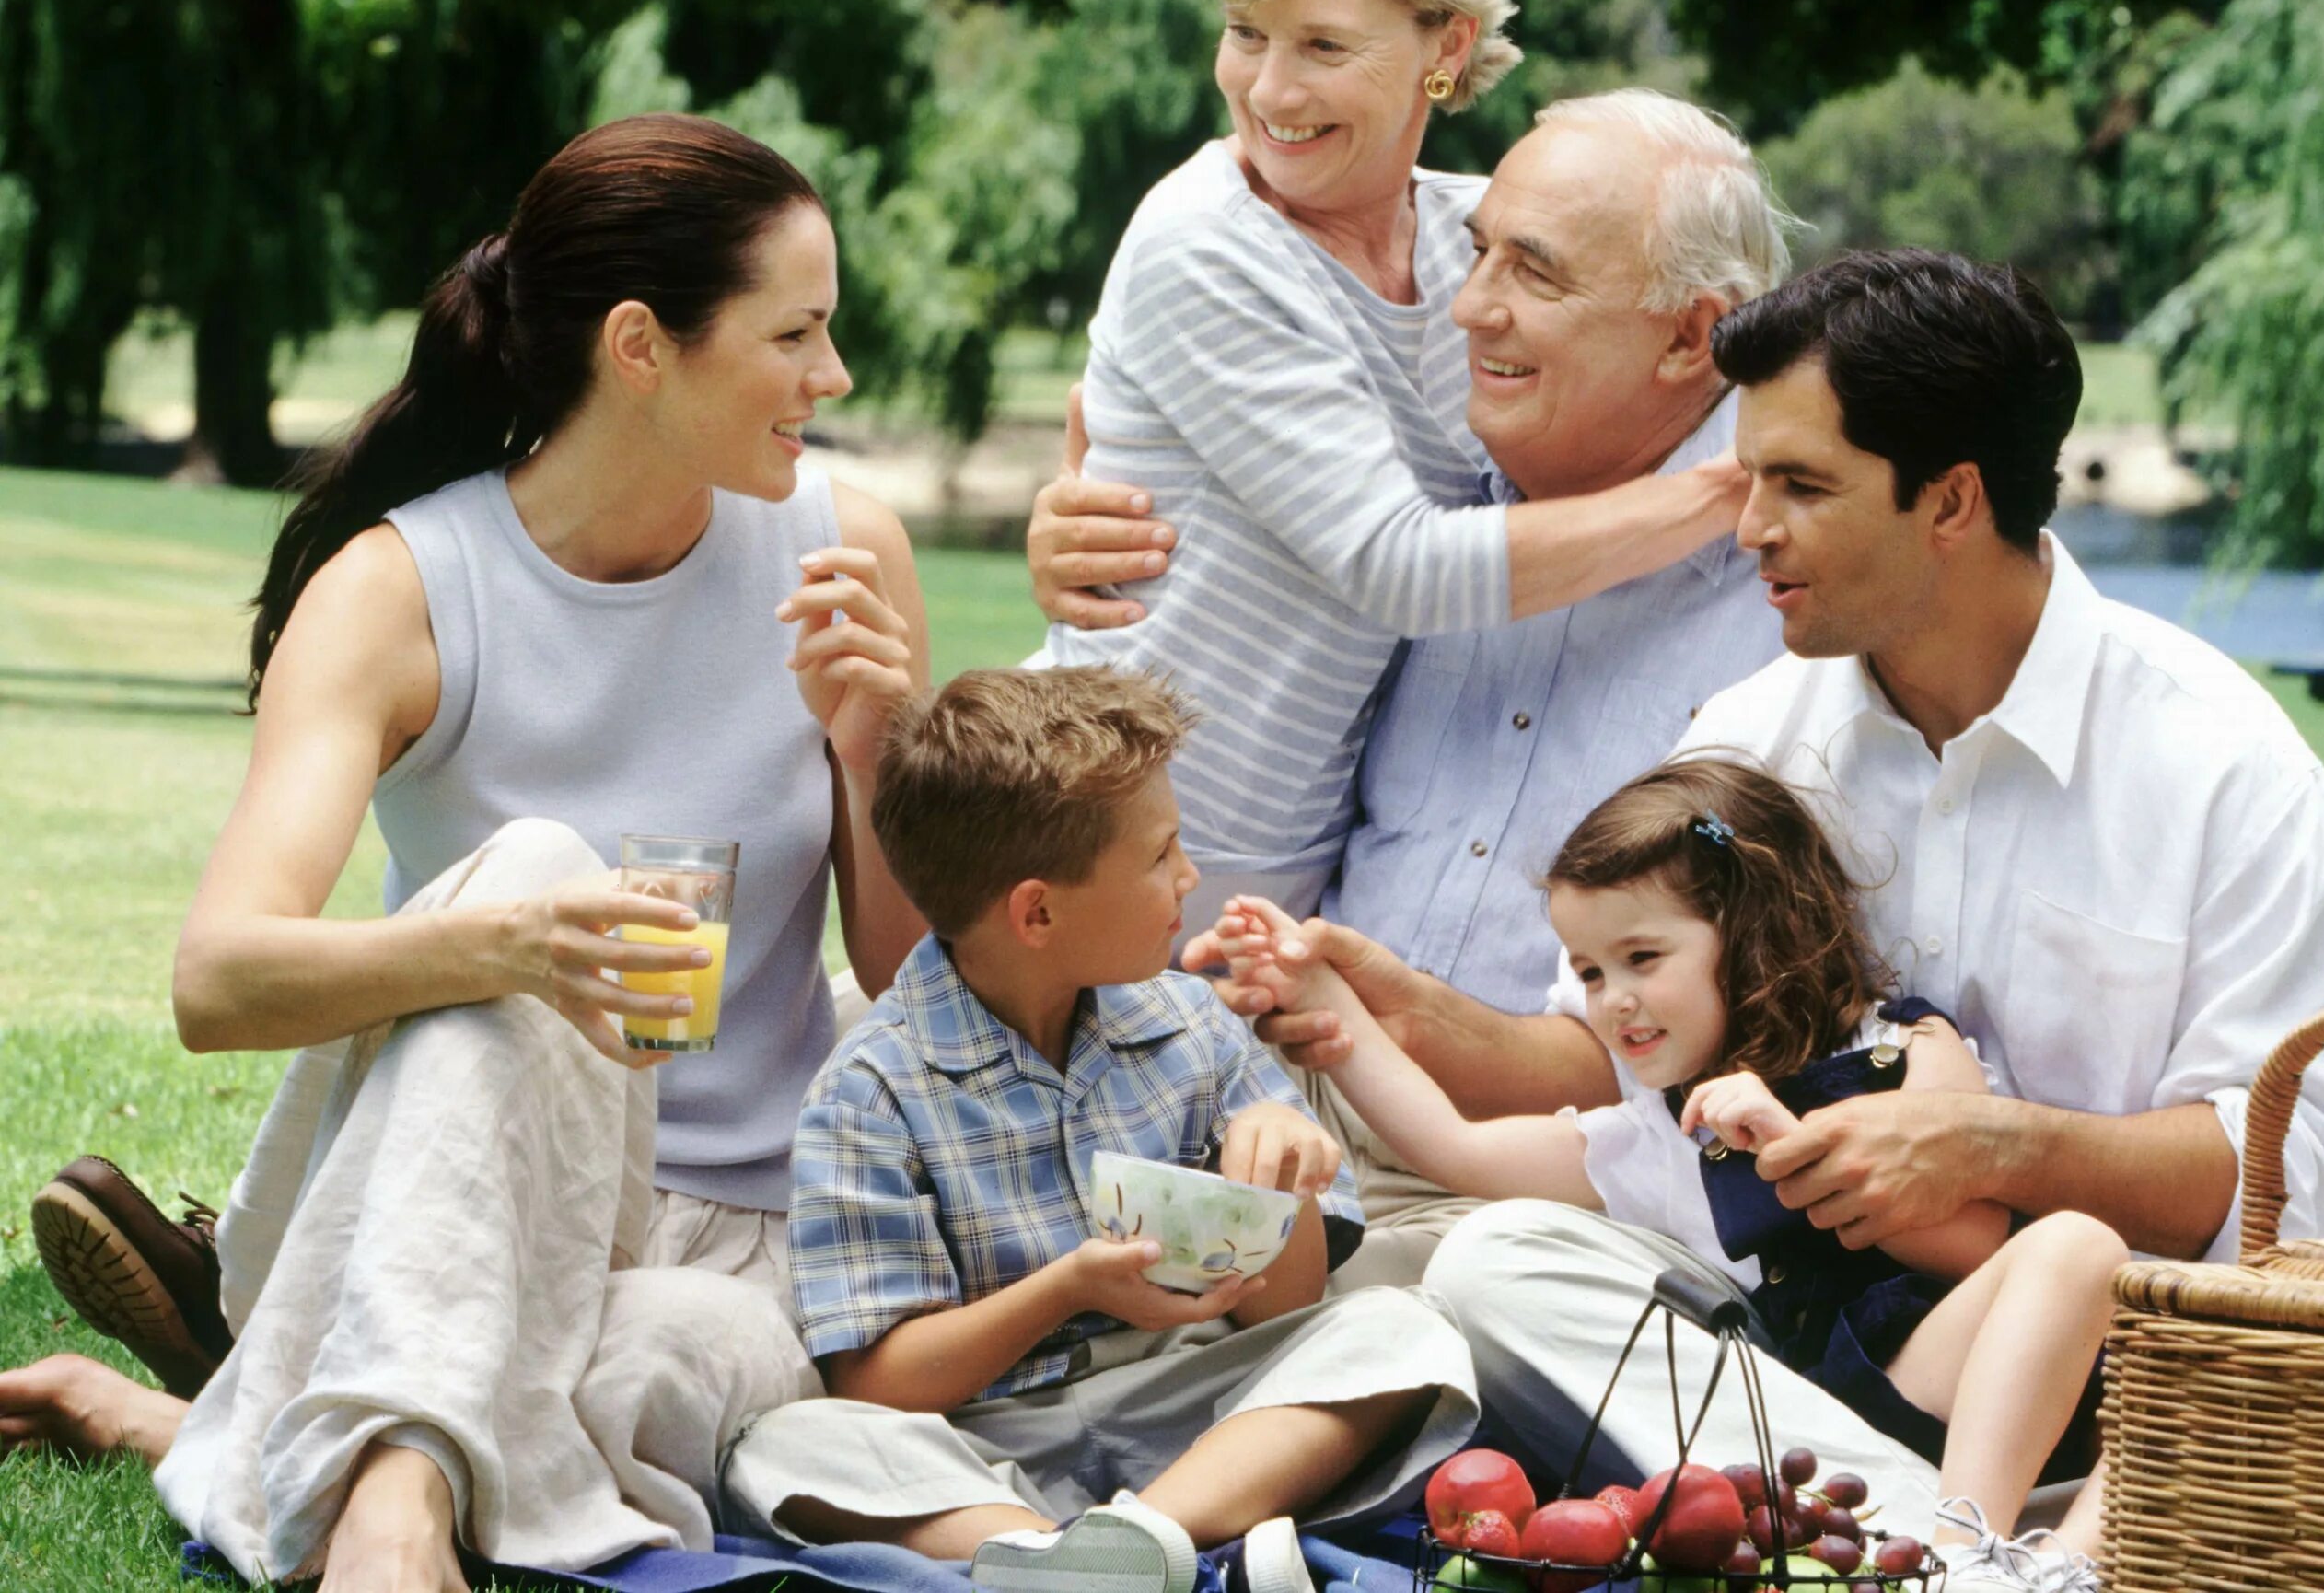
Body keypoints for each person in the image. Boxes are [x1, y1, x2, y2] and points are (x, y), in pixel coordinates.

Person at [1220, 249, 2324, 1563]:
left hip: (2100, 1365)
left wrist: (1989, 1148)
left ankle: (1871, 1532)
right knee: (1497, 1266)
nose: (1749, 525)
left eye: (1802, 486)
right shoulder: (1752, 739)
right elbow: (1607, 1063)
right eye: (1750, 475)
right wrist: (1396, 998)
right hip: (1801, 1351)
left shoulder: (2225, 764)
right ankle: (1960, 1556)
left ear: (1949, 500)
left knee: (2133, 1320)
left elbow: (2290, 1186)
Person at [2, 112, 931, 1593]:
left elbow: (898, 969)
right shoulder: (403, 591)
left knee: (667, 1370)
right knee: (535, 860)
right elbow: (216, 977)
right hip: (424, 1192)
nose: (836, 378)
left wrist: (878, 741)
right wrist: (504, 943)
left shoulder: (843, 556)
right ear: (642, 345)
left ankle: (226, 1422)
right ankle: (389, 1519)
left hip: (736, 1233)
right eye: (797, 334)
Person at [1037, 87, 1795, 1285]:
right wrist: (1075, 519)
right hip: (1281, 1114)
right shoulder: (1424, 484)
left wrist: (1419, 1026)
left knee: (1378, 1310)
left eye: (1532, 275)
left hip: (1553, 1189)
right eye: (1477, 249)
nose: (1470, 304)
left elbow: (1750, 1040)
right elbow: (1136, 463)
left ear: (1689, 337)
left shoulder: (1792, 584)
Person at [1031, 0, 1746, 931]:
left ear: (1447, 45)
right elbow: (1400, 565)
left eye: (1322, 46)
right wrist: (1726, 492)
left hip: (1282, 901)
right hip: (1082, 878)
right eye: (1246, 33)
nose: (1269, 91)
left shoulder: (1482, 247)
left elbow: (1717, 335)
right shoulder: (1203, 242)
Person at [1214, 758, 2127, 1588]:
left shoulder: (1908, 1048)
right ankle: (1971, 1561)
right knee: (1486, 1252)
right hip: (1806, 1425)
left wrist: (1786, 1145)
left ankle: (1969, 1553)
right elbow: (1456, 1147)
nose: (1613, 999)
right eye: (1589, 970)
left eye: (1642, 958)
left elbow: (1972, 1242)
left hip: (1952, 1382)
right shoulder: (1664, 1132)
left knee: (2084, 1245)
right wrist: (1330, 1006)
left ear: (1749, 927)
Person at [715, 669, 1477, 1593]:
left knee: (1399, 1328)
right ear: (1038, 910)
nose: (1187, 877)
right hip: (985, 1439)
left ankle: (1132, 1544)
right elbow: (876, 1382)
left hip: (1198, 1402)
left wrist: (1287, 1184)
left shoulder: (1194, 1027)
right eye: (1161, 856)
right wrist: (1070, 1284)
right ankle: (1075, 1551)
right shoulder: (870, 1091)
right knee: (786, 1445)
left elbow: (1288, 1305)